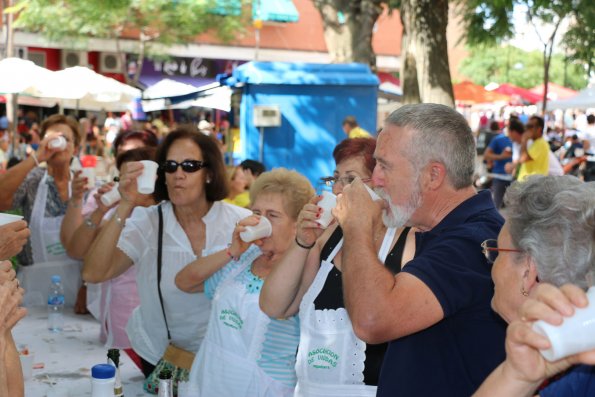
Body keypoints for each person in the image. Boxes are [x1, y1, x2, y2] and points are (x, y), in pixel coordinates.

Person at [332, 104, 506, 396]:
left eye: (385, 165)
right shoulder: (439, 230)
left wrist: (357, 227)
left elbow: (372, 321)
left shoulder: (471, 241)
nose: (375, 178)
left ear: (433, 176)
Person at [82, 127, 251, 379]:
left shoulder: (238, 221)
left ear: (209, 174)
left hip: (226, 356)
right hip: (162, 355)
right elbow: (94, 272)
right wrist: (126, 204)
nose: (178, 174)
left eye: (190, 166)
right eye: (170, 166)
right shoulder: (148, 221)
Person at [260, 137, 415, 396]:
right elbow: (274, 306)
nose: (337, 191)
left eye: (350, 179)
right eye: (335, 179)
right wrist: (302, 241)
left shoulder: (407, 243)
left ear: (380, 184)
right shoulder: (328, 239)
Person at [177, 168, 314, 396]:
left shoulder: (304, 270)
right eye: (256, 212)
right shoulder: (241, 258)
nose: (261, 221)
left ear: (297, 225)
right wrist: (232, 250)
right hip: (210, 380)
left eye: (273, 215)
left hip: (262, 387)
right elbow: (184, 282)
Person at [473, 175, 595, 396]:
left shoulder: (577, 381)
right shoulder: (544, 360)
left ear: (530, 272)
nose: (491, 265)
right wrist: (516, 376)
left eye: (497, 252)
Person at [62, 147, 156, 351]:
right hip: (110, 321)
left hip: (141, 329)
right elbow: (77, 250)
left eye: (134, 177)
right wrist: (101, 210)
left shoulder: (157, 213)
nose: (126, 185)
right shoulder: (116, 206)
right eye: (121, 178)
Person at [0, 115, 82, 267]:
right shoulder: (33, 179)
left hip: (76, 280)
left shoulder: (83, 183)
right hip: (34, 281)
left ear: (75, 149)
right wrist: (37, 156)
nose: (57, 143)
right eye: (50, 138)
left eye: (65, 138)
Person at [483, 124, 513, 209]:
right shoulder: (499, 139)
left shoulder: (521, 140)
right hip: (500, 177)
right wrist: (501, 157)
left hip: (515, 178)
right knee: (496, 205)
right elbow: (486, 155)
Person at [516, 116, 549, 181]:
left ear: (539, 129)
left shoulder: (540, 143)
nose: (527, 129)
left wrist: (524, 140)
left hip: (531, 185)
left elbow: (523, 158)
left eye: (530, 126)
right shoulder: (536, 143)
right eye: (526, 126)